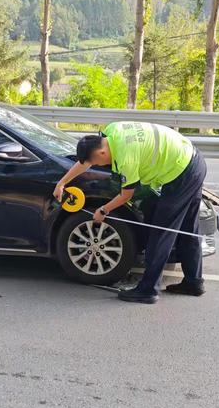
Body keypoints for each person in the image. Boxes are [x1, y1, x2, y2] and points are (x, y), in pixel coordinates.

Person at [53, 121, 207, 304]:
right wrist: (62, 182)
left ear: (102, 153)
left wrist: (103, 210)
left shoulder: (127, 158)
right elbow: (85, 162)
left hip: (181, 173)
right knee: (188, 228)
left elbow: (126, 195)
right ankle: (193, 282)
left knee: (161, 232)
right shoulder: (111, 132)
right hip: (192, 160)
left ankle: (148, 290)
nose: (99, 165)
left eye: (97, 162)